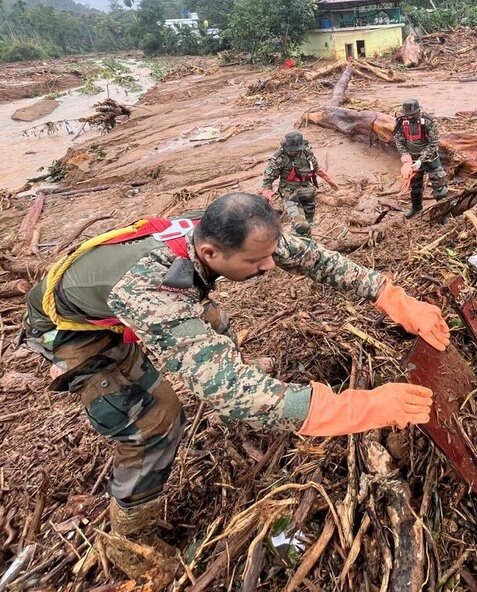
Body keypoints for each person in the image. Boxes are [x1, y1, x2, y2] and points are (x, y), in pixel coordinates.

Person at [22, 193, 448, 572]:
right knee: (154, 419)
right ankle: (132, 542)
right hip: (77, 332)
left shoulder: (225, 230)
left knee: (215, 324)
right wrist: (356, 408)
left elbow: (312, 258)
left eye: (269, 254)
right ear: (209, 251)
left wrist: (392, 297)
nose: (269, 265)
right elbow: (226, 390)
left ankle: (232, 385)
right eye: (255, 262)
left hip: (128, 298)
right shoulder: (151, 288)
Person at [260, 131, 338, 237]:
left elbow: (316, 168)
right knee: (300, 223)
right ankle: (296, 241)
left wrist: (330, 181)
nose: (294, 152)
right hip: (289, 193)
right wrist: (267, 197)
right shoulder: (279, 158)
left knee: (308, 220)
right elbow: (267, 180)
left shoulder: (306, 153)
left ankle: (306, 239)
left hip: (307, 191)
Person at [393, 98, 449, 218]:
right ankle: (416, 208)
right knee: (415, 186)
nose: (410, 117)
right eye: (408, 115)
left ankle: (444, 214)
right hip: (412, 159)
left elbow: (434, 143)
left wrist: (421, 159)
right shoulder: (401, 122)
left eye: (413, 114)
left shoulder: (428, 122)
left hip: (430, 159)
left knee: (440, 186)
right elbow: (398, 140)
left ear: (419, 111)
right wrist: (405, 156)